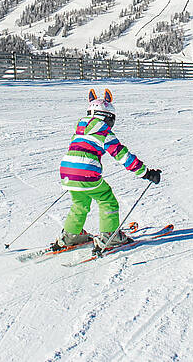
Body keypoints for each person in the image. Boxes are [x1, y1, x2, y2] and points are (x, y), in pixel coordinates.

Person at [55, 88, 161, 250]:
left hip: (67, 171)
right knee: (107, 200)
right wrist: (146, 173)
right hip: (86, 173)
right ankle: (110, 236)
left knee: (80, 203)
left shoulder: (80, 129)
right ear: (107, 117)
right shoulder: (103, 132)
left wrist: (75, 177)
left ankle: (71, 235)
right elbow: (122, 155)